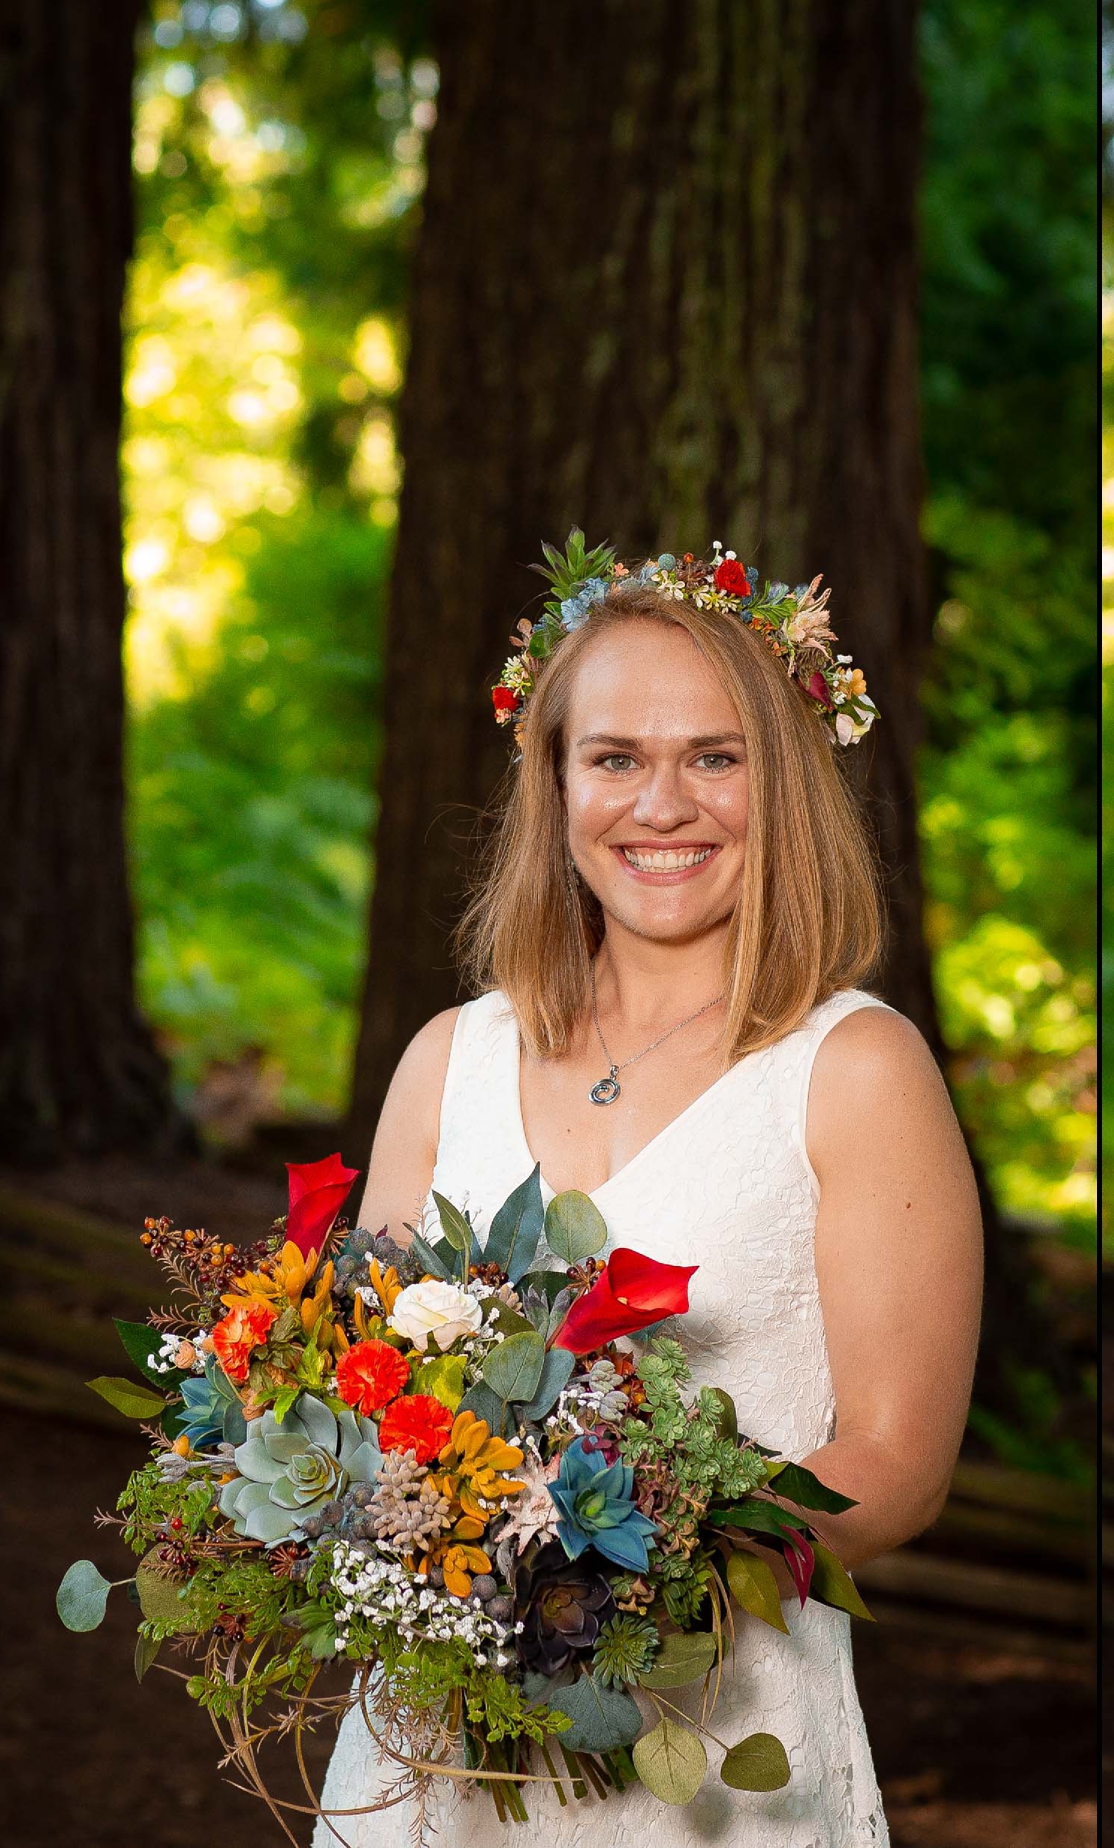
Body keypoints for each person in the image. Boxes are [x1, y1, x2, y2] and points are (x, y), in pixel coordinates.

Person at [313, 538, 983, 1846]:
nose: (661, 805)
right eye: (616, 758)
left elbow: (898, 1465)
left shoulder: (853, 1068)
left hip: (710, 1756)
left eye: (714, 758)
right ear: (555, 785)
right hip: (424, 1754)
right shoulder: (451, 1059)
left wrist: (617, 1578)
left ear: (779, 785)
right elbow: (356, 1390)